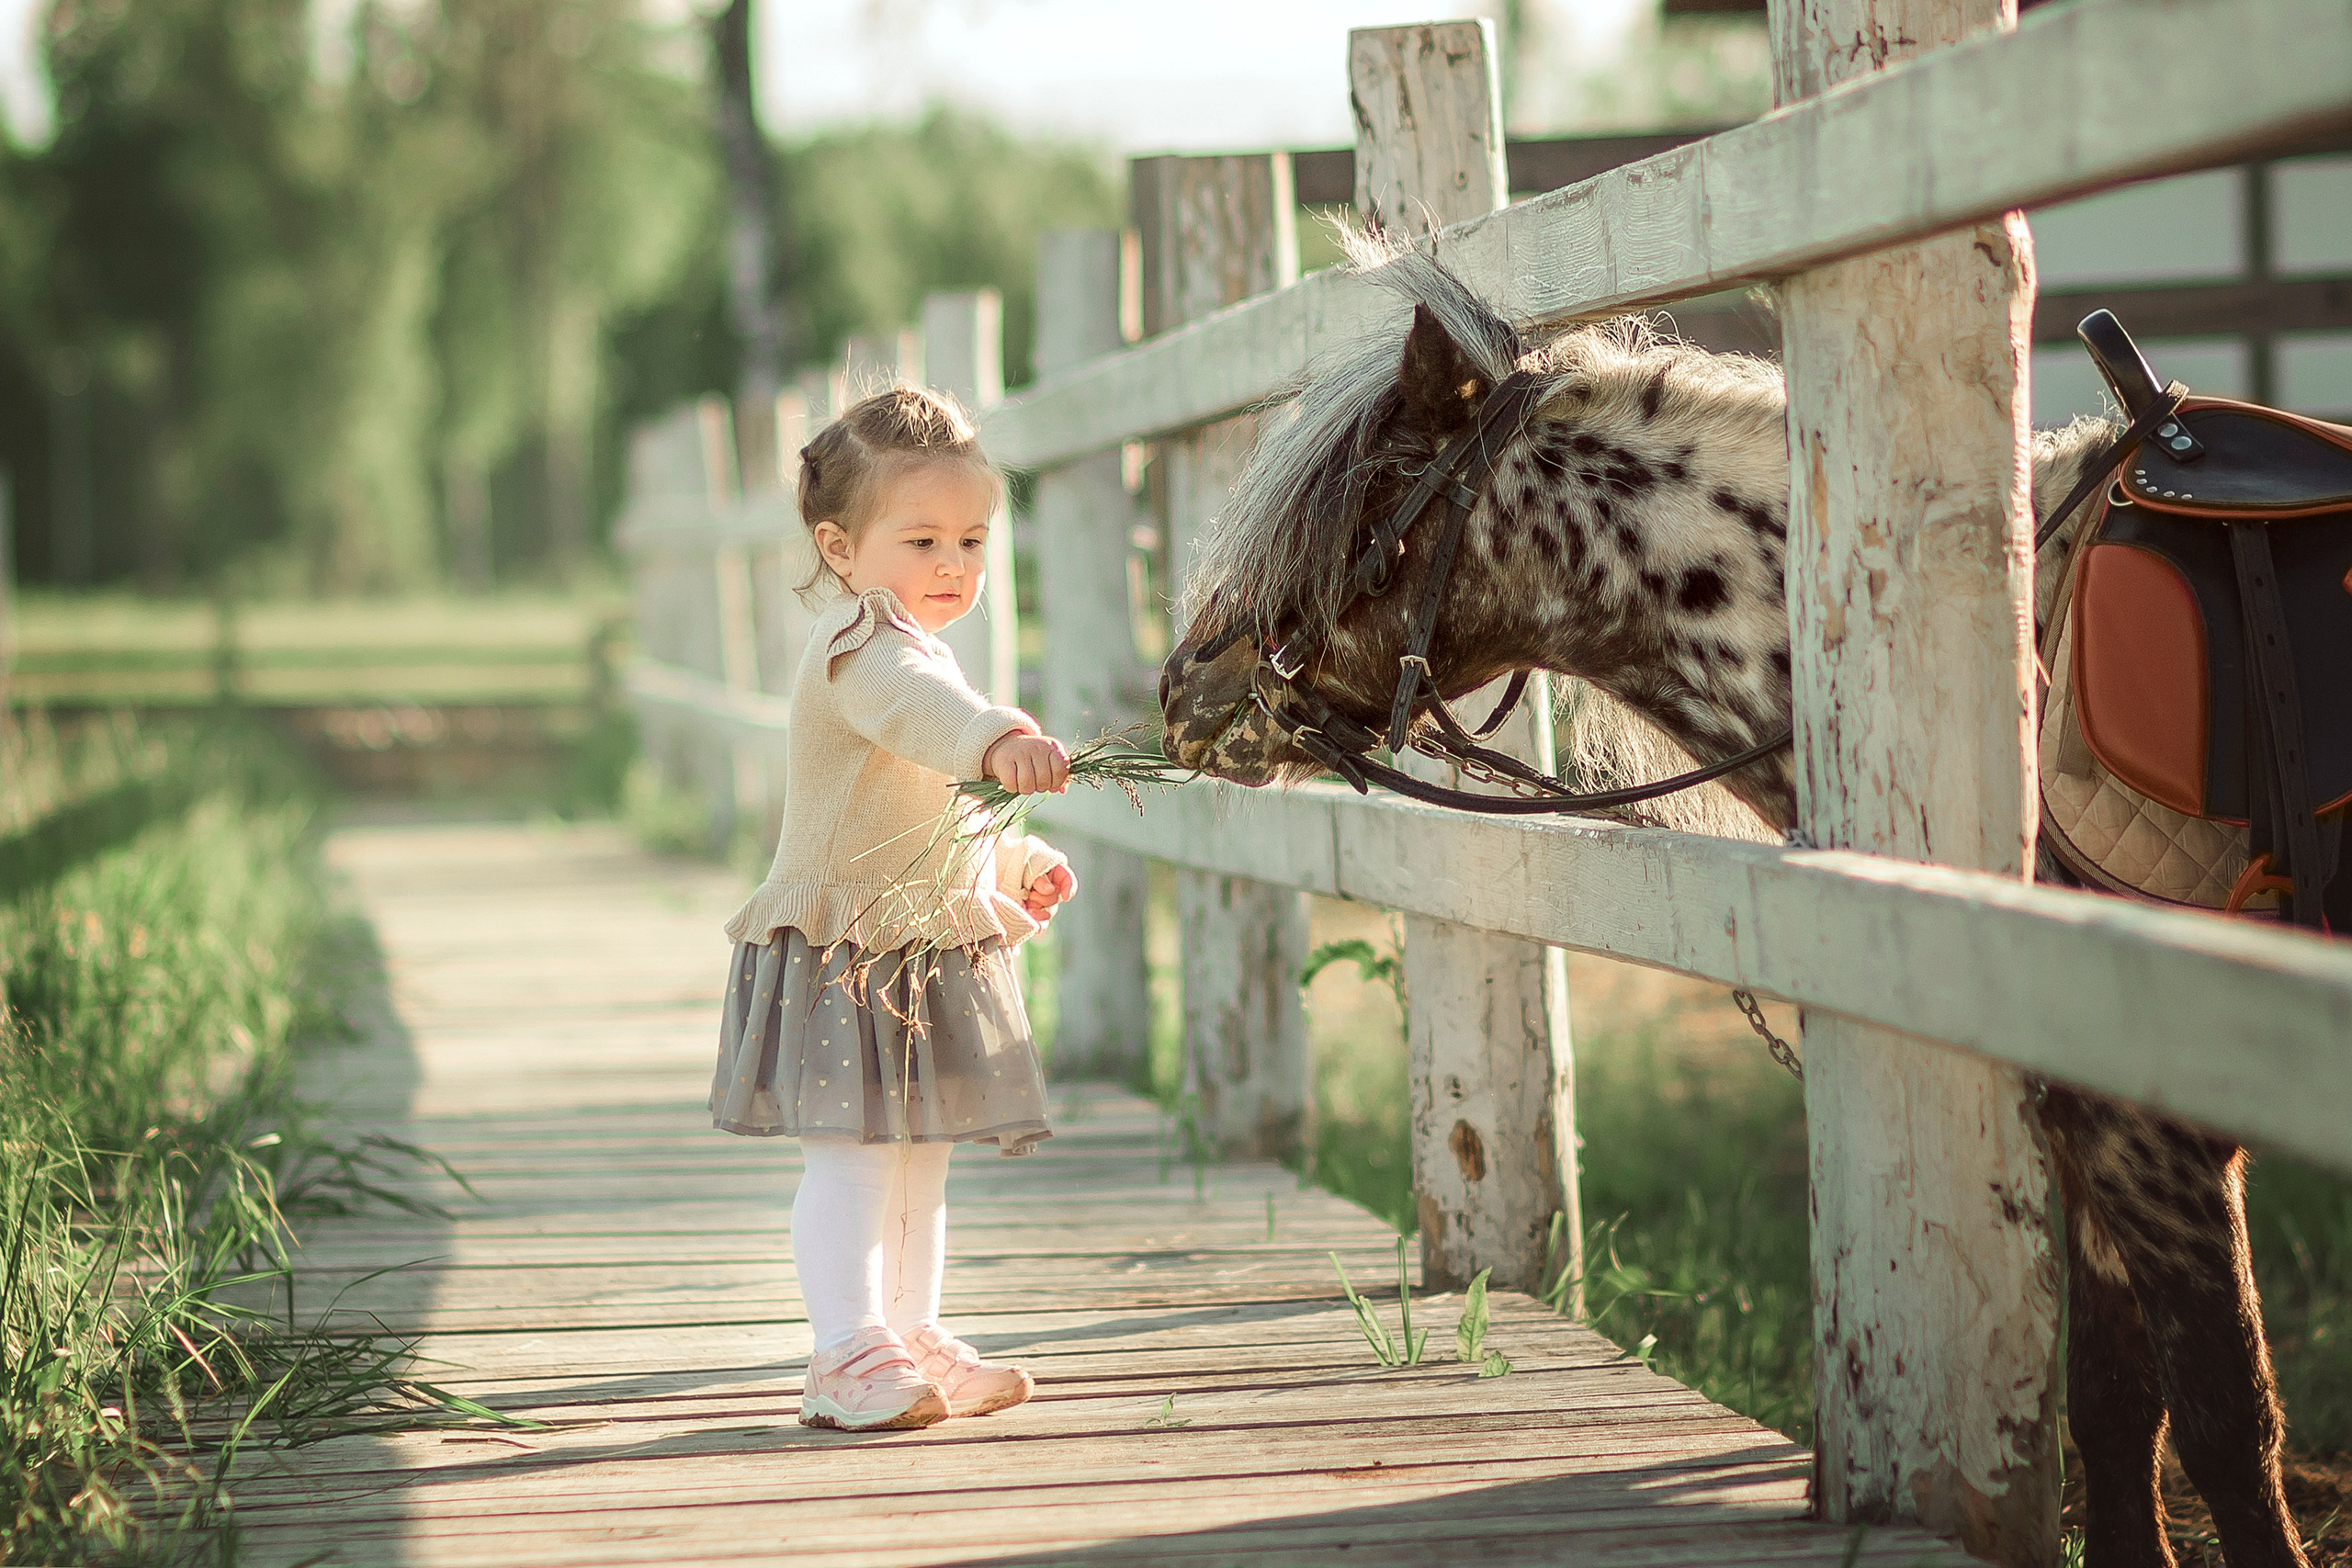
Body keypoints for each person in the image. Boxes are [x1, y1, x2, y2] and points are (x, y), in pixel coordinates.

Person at [708, 386, 1076, 1432]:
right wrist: (1001, 734)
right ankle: (843, 1349)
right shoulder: (861, 643)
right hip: (850, 950)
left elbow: (928, 789)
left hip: (921, 944)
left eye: (970, 538)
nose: (952, 564)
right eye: (920, 540)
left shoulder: (920, 641)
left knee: (923, 1156)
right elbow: (924, 720)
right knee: (859, 1157)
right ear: (839, 547)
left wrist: (1008, 857)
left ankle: (911, 1333)